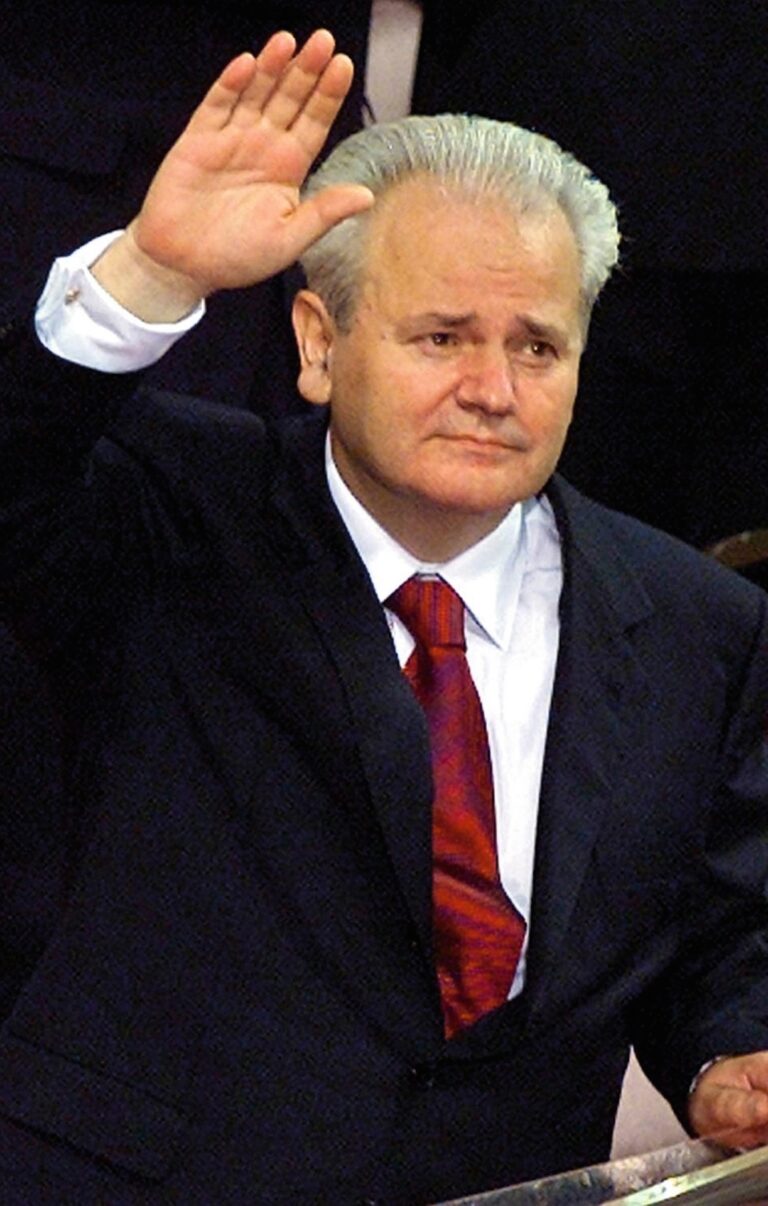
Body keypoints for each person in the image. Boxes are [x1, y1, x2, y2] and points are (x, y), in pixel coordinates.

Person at [1, 29, 767, 1205]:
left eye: (538, 346)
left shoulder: (697, 623)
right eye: (442, 337)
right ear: (319, 344)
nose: (492, 391)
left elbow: (714, 929)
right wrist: (151, 273)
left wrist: (727, 1055)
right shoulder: (169, 512)